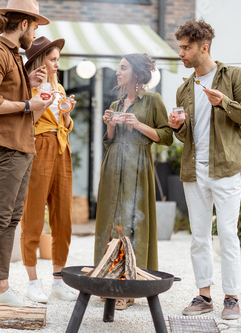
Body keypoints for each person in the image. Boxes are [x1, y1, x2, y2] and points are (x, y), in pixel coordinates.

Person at [168, 19, 241, 320]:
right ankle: (204, 295)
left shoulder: (233, 75)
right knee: (199, 237)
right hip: (195, 169)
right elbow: (185, 136)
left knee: (228, 235)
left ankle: (231, 298)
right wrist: (178, 128)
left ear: (203, 47)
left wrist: (224, 103)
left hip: (227, 168)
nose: (181, 52)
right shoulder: (184, 89)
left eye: (186, 47)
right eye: (180, 47)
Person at [0, 0, 54, 315]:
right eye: (34, 26)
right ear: (22, 24)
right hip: (8, 146)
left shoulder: (12, 56)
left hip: (22, 145)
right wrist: (28, 105)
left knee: (11, 218)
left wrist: (27, 88)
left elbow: (6, 95)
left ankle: (1, 286)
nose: (35, 32)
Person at [95, 53, 173, 310]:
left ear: (137, 74)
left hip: (137, 165)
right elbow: (110, 141)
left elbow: (166, 136)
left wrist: (138, 124)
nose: (118, 72)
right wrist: (110, 125)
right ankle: (106, 280)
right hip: (114, 162)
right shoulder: (117, 103)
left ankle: (129, 287)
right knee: (111, 221)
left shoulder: (153, 100)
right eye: (118, 68)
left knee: (132, 224)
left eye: (123, 68)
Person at [21, 36, 78, 303]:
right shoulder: (27, 87)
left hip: (62, 149)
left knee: (63, 217)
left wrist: (67, 113)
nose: (57, 64)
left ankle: (58, 279)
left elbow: (65, 124)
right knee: (33, 215)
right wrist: (40, 104)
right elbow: (25, 124)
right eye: (53, 59)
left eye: (58, 59)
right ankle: (33, 281)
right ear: (40, 61)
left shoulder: (60, 87)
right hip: (39, 147)